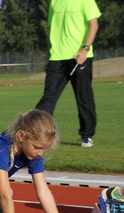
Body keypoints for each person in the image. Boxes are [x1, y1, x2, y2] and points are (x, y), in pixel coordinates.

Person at [34, 0, 101, 148]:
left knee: (84, 97)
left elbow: (94, 24)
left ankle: (86, 135)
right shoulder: (54, 3)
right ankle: (36, 132)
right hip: (57, 58)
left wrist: (85, 49)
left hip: (80, 57)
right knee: (49, 96)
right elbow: (52, 31)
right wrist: (48, 57)